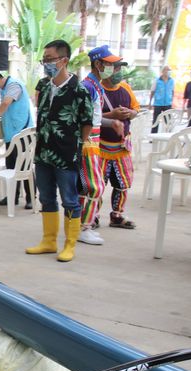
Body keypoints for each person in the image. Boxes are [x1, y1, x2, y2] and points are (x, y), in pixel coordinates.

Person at [26, 39, 93, 263]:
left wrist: (76, 146)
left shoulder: (79, 90)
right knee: (46, 197)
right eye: (44, 60)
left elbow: (86, 122)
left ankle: (69, 245)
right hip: (43, 152)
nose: (46, 63)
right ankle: (49, 241)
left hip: (66, 155)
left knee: (70, 200)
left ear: (64, 60)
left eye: (50, 59)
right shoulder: (44, 86)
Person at [78, 45, 125, 246]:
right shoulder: (88, 86)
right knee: (94, 186)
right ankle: (84, 227)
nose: (115, 70)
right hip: (88, 142)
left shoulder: (95, 85)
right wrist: (85, 141)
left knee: (86, 187)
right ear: (98, 64)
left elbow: (95, 118)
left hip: (92, 140)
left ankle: (82, 225)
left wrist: (111, 122)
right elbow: (84, 118)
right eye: (111, 65)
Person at [99, 62, 140, 229]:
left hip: (122, 147)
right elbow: (91, 116)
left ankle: (117, 215)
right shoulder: (97, 90)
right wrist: (112, 115)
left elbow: (136, 110)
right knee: (97, 185)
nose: (118, 72)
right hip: (100, 147)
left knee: (122, 183)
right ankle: (93, 216)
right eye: (115, 68)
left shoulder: (125, 88)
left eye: (119, 68)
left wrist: (130, 113)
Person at [0, 71, 34, 209]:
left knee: (25, 166)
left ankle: (30, 197)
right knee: (11, 166)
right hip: (12, 133)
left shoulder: (13, 85)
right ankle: (12, 196)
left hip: (21, 132)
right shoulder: (6, 88)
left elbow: (6, 104)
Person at [149, 65, 174, 133]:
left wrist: (172, 101)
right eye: (167, 70)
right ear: (163, 71)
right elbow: (152, 91)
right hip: (158, 103)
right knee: (156, 120)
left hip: (168, 103)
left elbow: (172, 91)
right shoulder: (157, 80)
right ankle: (153, 135)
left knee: (168, 120)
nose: (168, 71)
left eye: (169, 70)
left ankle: (168, 134)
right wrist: (150, 102)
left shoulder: (172, 80)